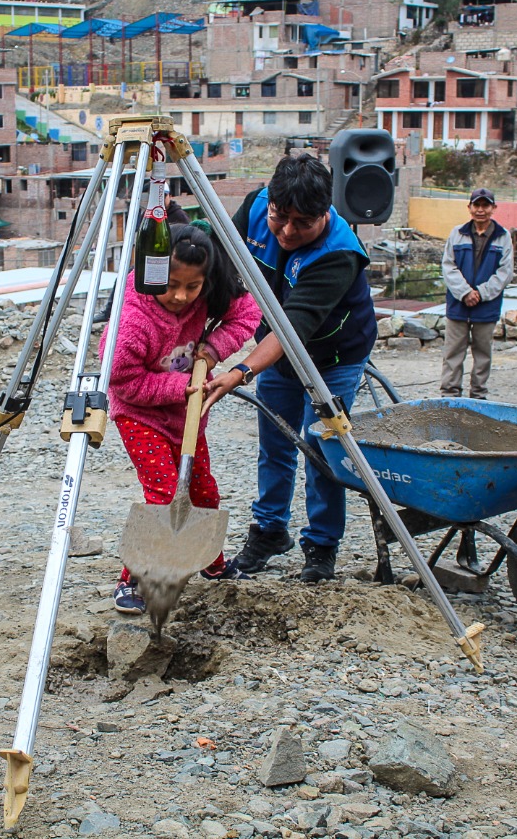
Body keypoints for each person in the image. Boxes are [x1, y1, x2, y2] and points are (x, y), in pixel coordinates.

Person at [202, 154, 377, 583]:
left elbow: (291, 331)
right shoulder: (259, 206)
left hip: (331, 357)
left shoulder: (339, 252)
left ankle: (321, 545)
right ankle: (269, 530)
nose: (287, 231)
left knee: (322, 450)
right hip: (274, 347)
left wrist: (240, 370)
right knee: (276, 442)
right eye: (281, 218)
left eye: (303, 223)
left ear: (325, 213)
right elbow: (215, 251)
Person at [104, 222, 261, 613]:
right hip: (140, 416)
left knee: (203, 490)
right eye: (172, 283)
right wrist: (179, 388)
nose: (179, 296)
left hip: (188, 414)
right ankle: (136, 581)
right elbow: (123, 382)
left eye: (192, 287)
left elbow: (248, 313)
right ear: (153, 269)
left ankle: (212, 563)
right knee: (164, 493)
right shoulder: (133, 318)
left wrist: (212, 347)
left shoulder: (207, 293)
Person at [439, 188, 515, 399]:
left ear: (493, 208)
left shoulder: (503, 237)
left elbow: (505, 272)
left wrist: (481, 293)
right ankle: (450, 395)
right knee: (453, 352)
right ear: (470, 208)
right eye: (477, 205)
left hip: (486, 306)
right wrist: (464, 292)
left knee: (483, 353)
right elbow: (448, 266)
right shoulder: (457, 234)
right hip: (458, 305)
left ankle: (478, 395)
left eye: (485, 206)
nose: (481, 210)